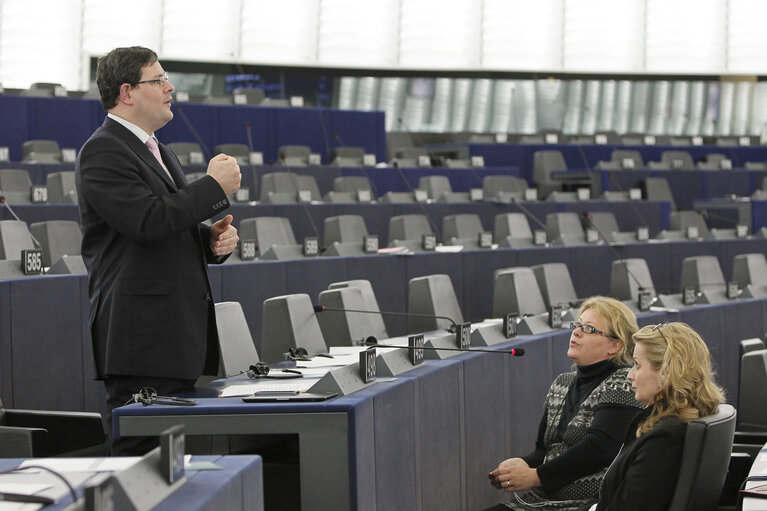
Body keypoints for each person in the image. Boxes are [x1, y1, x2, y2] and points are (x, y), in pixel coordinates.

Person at [76, 46, 242, 455]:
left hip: (171, 341)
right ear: (127, 92)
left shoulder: (157, 149)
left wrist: (210, 242)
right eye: (159, 79)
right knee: (142, 468)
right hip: (142, 343)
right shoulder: (103, 150)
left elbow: (163, 228)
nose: (170, 88)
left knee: (171, 471)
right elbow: (146, 222)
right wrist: (212, 187)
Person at [486, 296, 644, 511]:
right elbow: (544, 452)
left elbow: (601, 449)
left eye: (589, 329)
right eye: (577, 325)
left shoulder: (623, 382)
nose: (576, 332)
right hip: (541, 500)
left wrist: (535, 476)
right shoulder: (562, 383)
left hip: (586, 504)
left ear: (615, 346)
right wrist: (521, 466)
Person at [593, 322, 724, 510]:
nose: (629, 375)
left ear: (666, 372)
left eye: (637, 365)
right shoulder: (680, 421)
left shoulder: (663, 439)